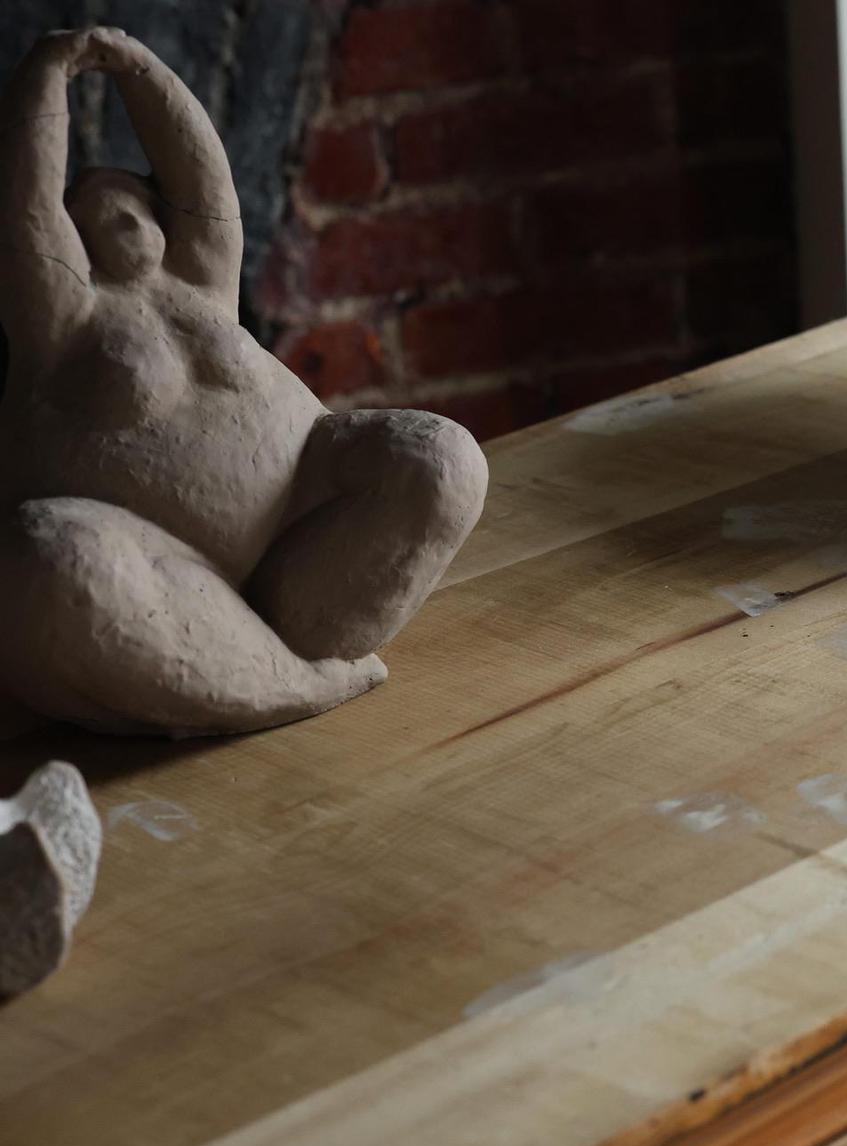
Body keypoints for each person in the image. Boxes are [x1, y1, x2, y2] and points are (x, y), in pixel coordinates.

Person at [0, 27, 486, 736]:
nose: (115, 211)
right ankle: (292, 684)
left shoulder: (202, 283)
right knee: (53, 562)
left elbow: (202, 177)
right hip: (160, 580)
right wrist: (49, 71)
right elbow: (29, 211)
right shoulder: (65, 318)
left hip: (304, 552)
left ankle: (307, 654)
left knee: (441, 460)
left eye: (130, 200)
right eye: (90, 208)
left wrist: (136, 66)